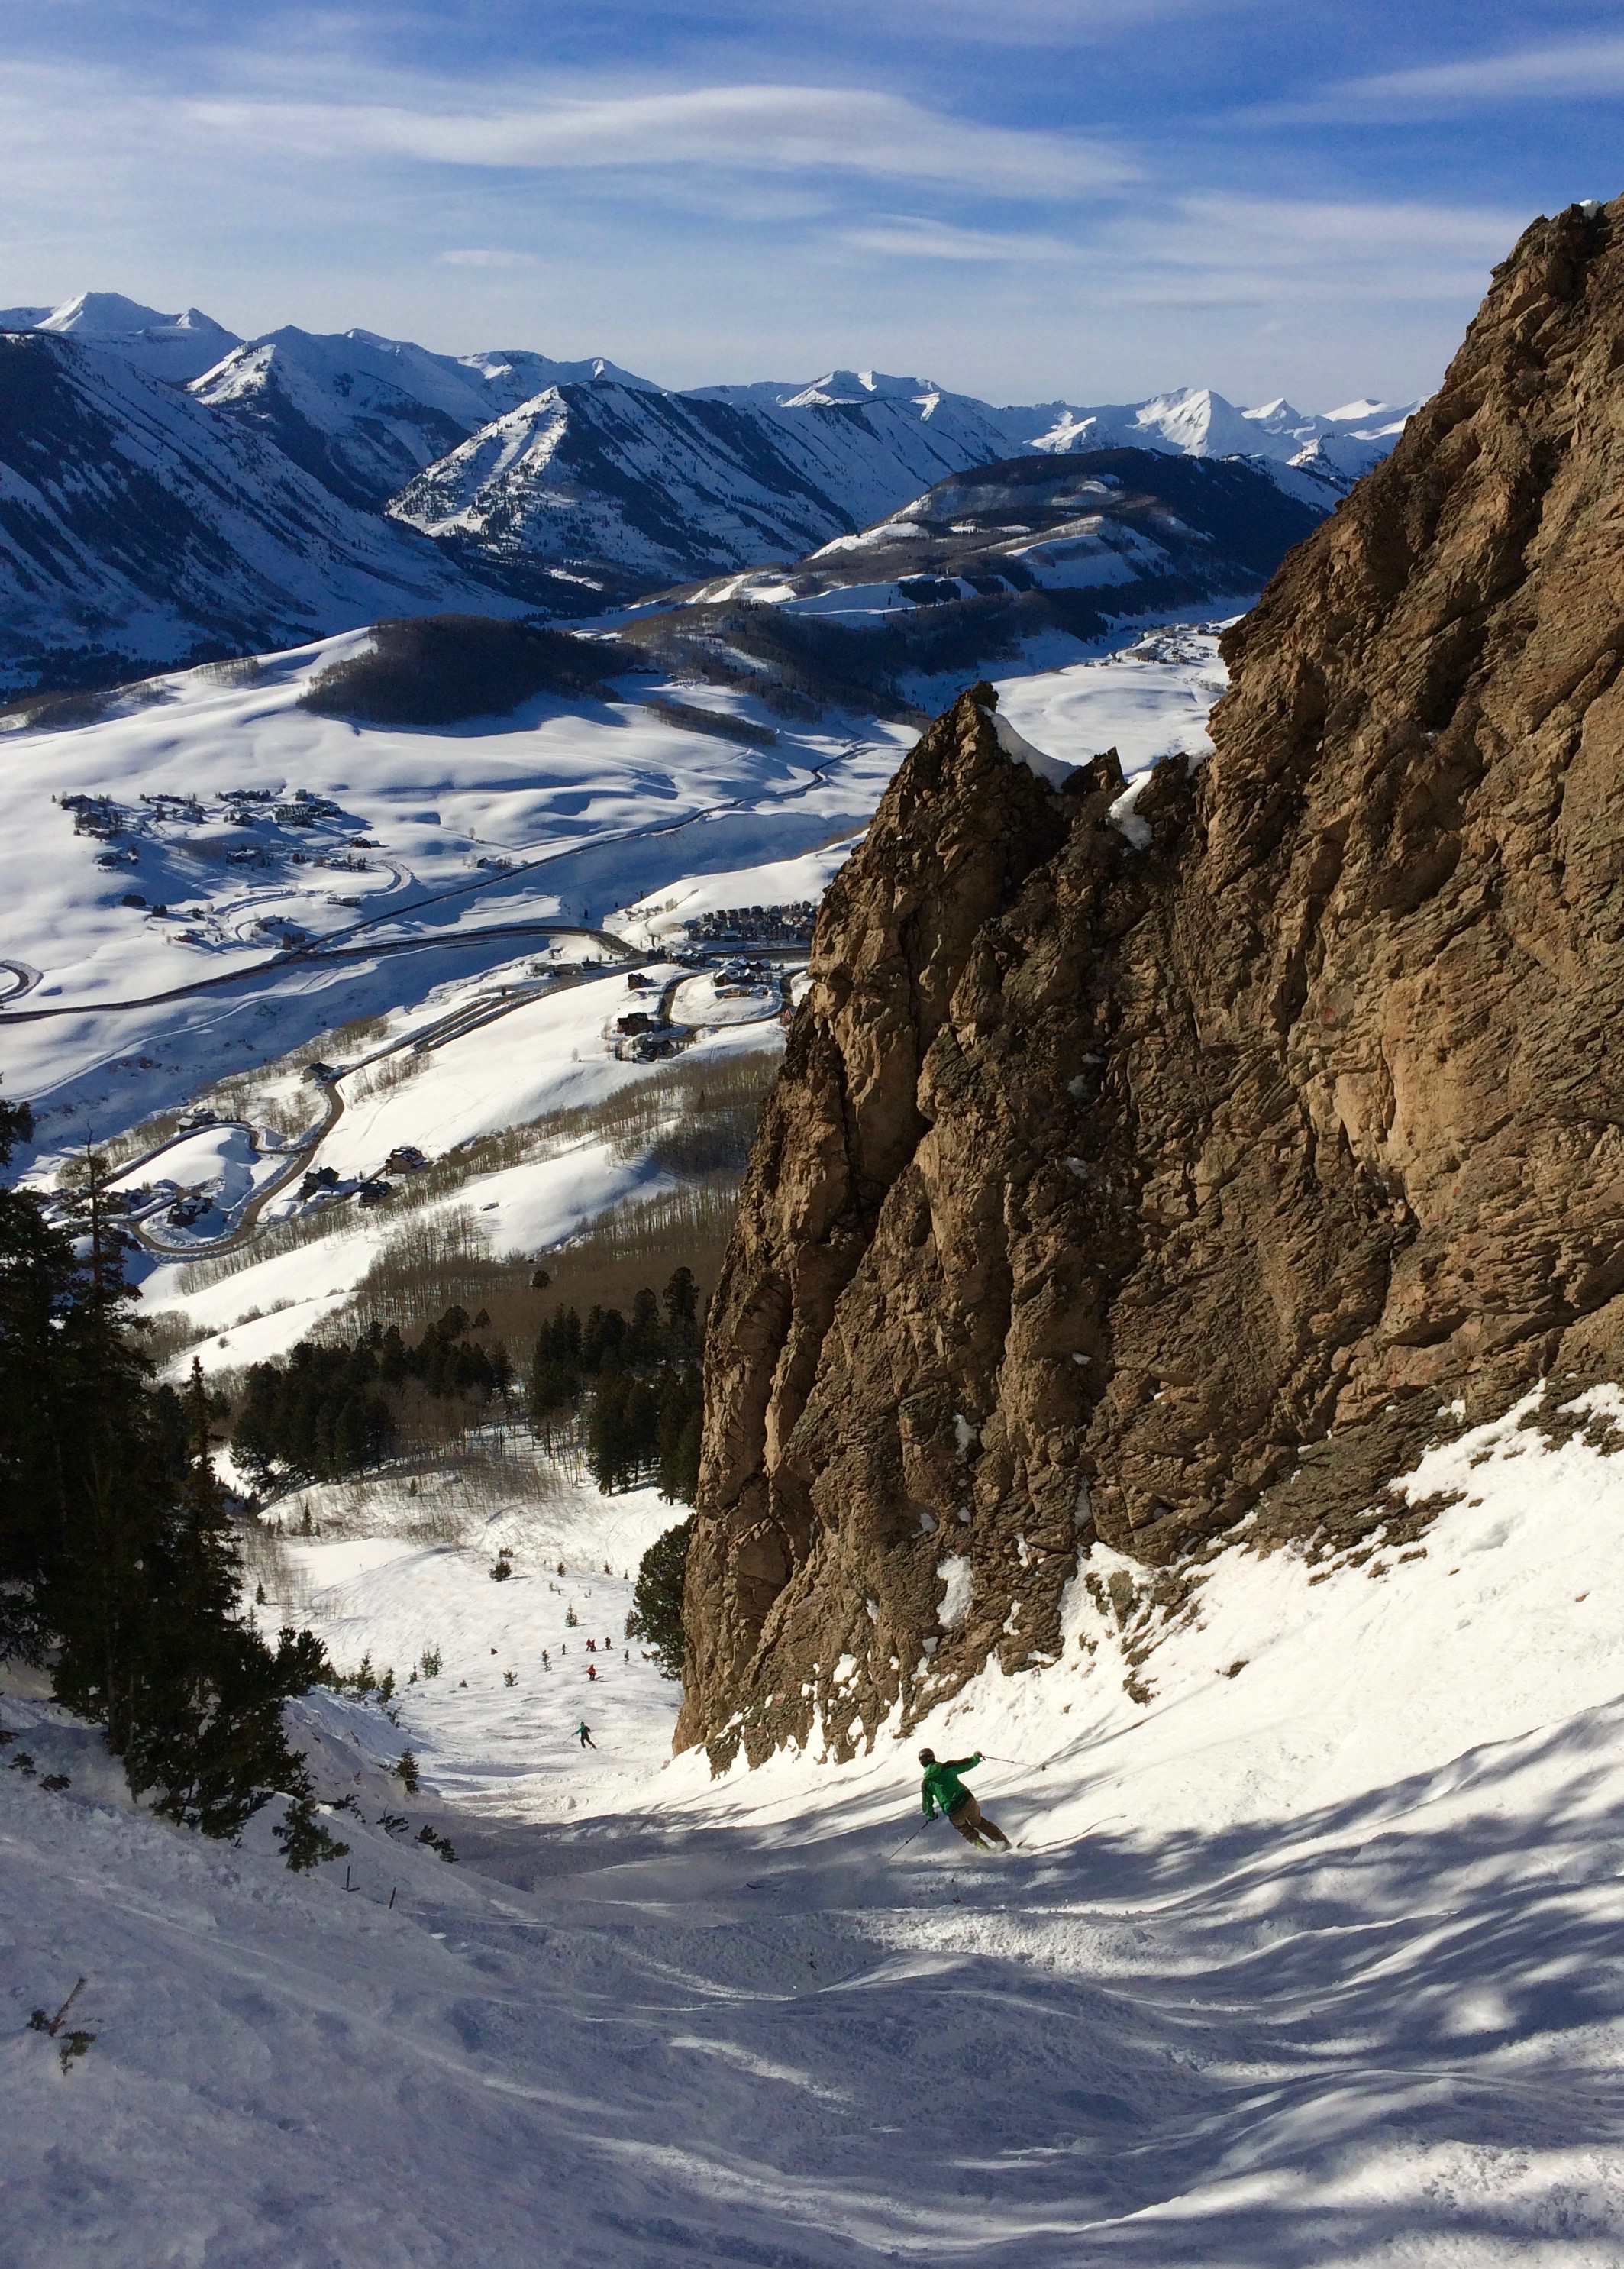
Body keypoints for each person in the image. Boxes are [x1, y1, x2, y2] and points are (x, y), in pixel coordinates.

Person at [919, 1748, 1009, 1850]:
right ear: (933, 1757)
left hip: (953, 1811)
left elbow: (927, 1802)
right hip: (967, 1801)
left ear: (922, 1763)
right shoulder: (947, 1767)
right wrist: (976, 1757)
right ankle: (1004, 1843)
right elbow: (966, 1764)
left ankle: (985, 1849)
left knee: (966, 1831)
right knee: (980, 1823)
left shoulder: (926, 1783)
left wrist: (930, 1815)